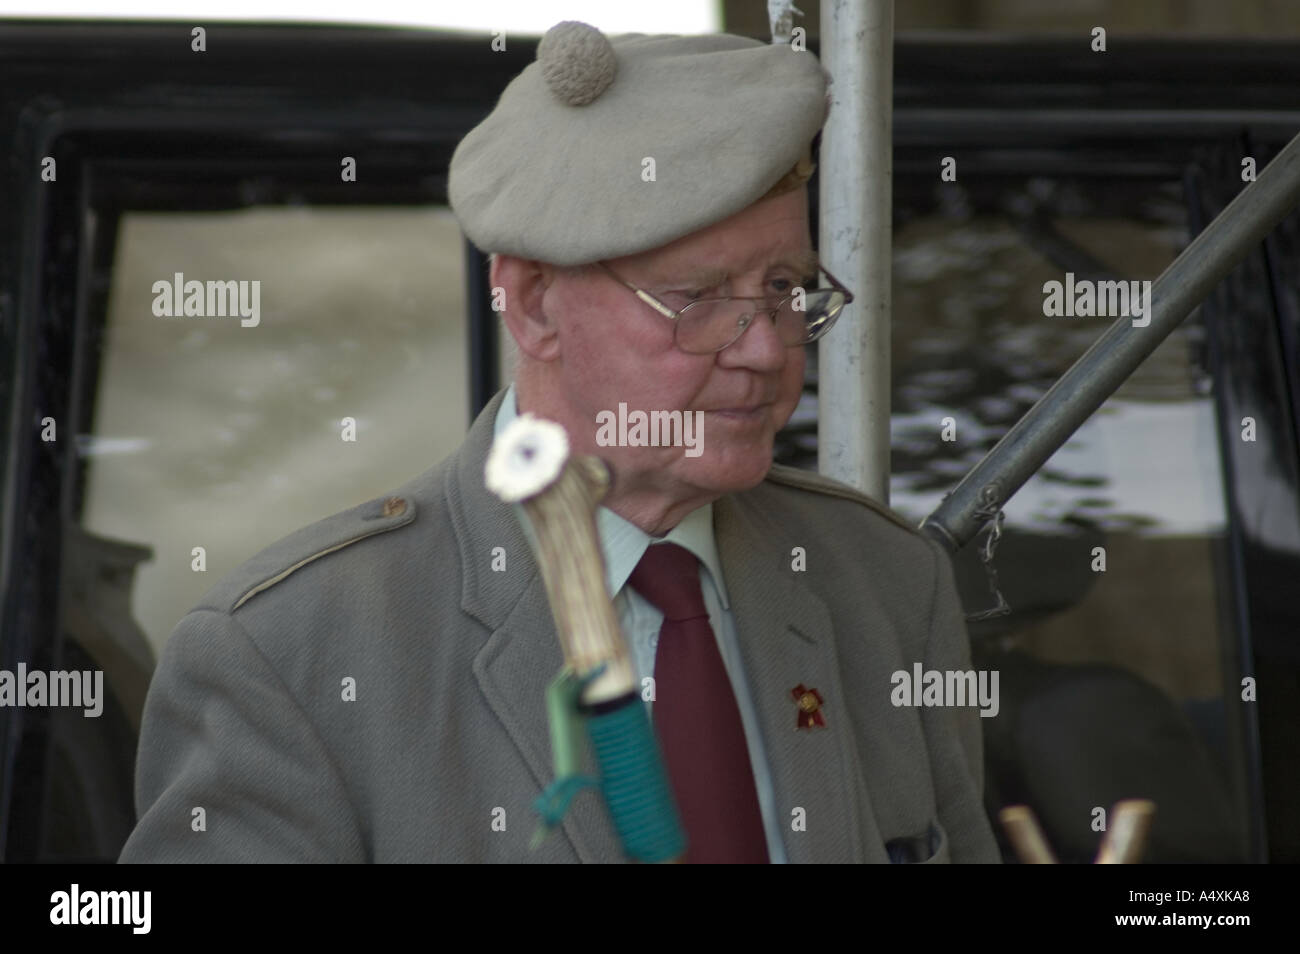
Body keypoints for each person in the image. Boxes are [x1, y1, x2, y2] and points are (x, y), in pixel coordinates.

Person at [120, 21, 998, 864]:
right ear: (535, 305)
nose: (767, 347)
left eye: (785, 287)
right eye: (698, 298)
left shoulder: (884, 584)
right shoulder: (292, 656)